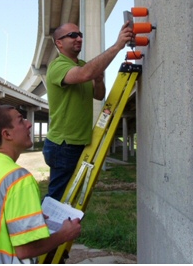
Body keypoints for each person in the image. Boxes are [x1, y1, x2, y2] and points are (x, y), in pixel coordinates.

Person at [0, 105, 82, 264]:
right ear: (6, 134)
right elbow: (25, 250)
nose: (29, 124)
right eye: (21, 120)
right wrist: (64, 234)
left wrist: (26, 219)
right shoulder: (19, 179)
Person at [43, 21, 133, 201]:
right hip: (64, 144)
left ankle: (63, 227)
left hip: (78, 142)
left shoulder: (83, 65)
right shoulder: (58, 66)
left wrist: (98, 80)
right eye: (72, 35)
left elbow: (99, 95)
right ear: (59, 43)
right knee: (58, 198)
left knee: (70, 197)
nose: (79, 38)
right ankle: (46, 229)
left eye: (80, 34)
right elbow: (84, 74)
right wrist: (117, 46)